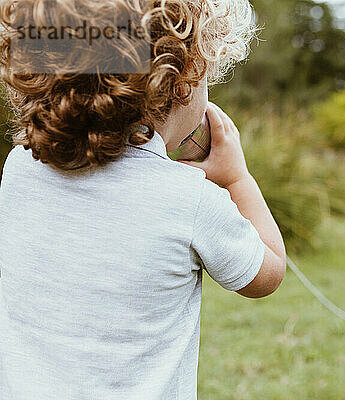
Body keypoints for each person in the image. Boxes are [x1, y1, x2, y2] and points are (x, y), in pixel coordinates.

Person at [0, 0, 286, 399]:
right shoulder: (189, 200)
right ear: (183, 78)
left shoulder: (18, 170)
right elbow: (268, 273)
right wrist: (237, 178)